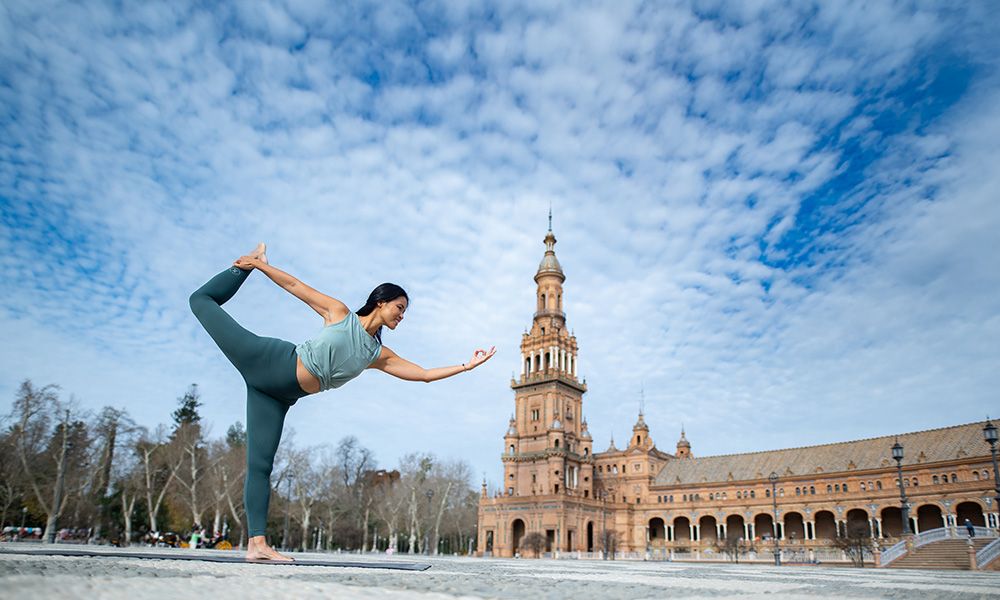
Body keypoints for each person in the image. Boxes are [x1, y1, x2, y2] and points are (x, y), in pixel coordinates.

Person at [189, 243, 495, 561]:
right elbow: (296, 287)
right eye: (400, 307)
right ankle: (243, 266)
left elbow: (424, 374)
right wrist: (258, 266)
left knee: (260, 466)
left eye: (405, 311)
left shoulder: (377, 355)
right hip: (267, 361)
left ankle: (257, 546)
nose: (402, 316)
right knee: (200, 301)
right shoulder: (339, 314)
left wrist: (466, 366)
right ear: (381, 301)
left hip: (276, 397)